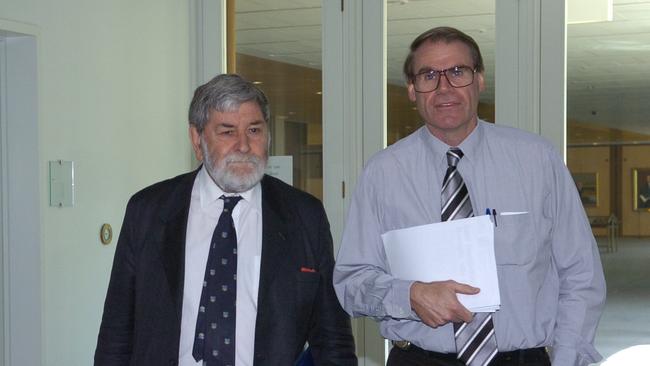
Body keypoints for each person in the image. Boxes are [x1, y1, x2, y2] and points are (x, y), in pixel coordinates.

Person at [333, 27, 606, 366]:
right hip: (421, 359)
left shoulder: (536, 159)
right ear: (412, 89)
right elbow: (351, 280)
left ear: (479, 81)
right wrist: (410, 295)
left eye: (458, 72)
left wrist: (566, 359)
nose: (444, 87)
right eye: (429, 74)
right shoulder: (383, 172)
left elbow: (581, 274)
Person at [94, 74, 357, 366]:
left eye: (254, 130)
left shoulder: (304, 215)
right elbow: (117, 331)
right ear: (197, 139)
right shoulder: (149, 210)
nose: (244, 146)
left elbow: (332, 338)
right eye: (227, 132)